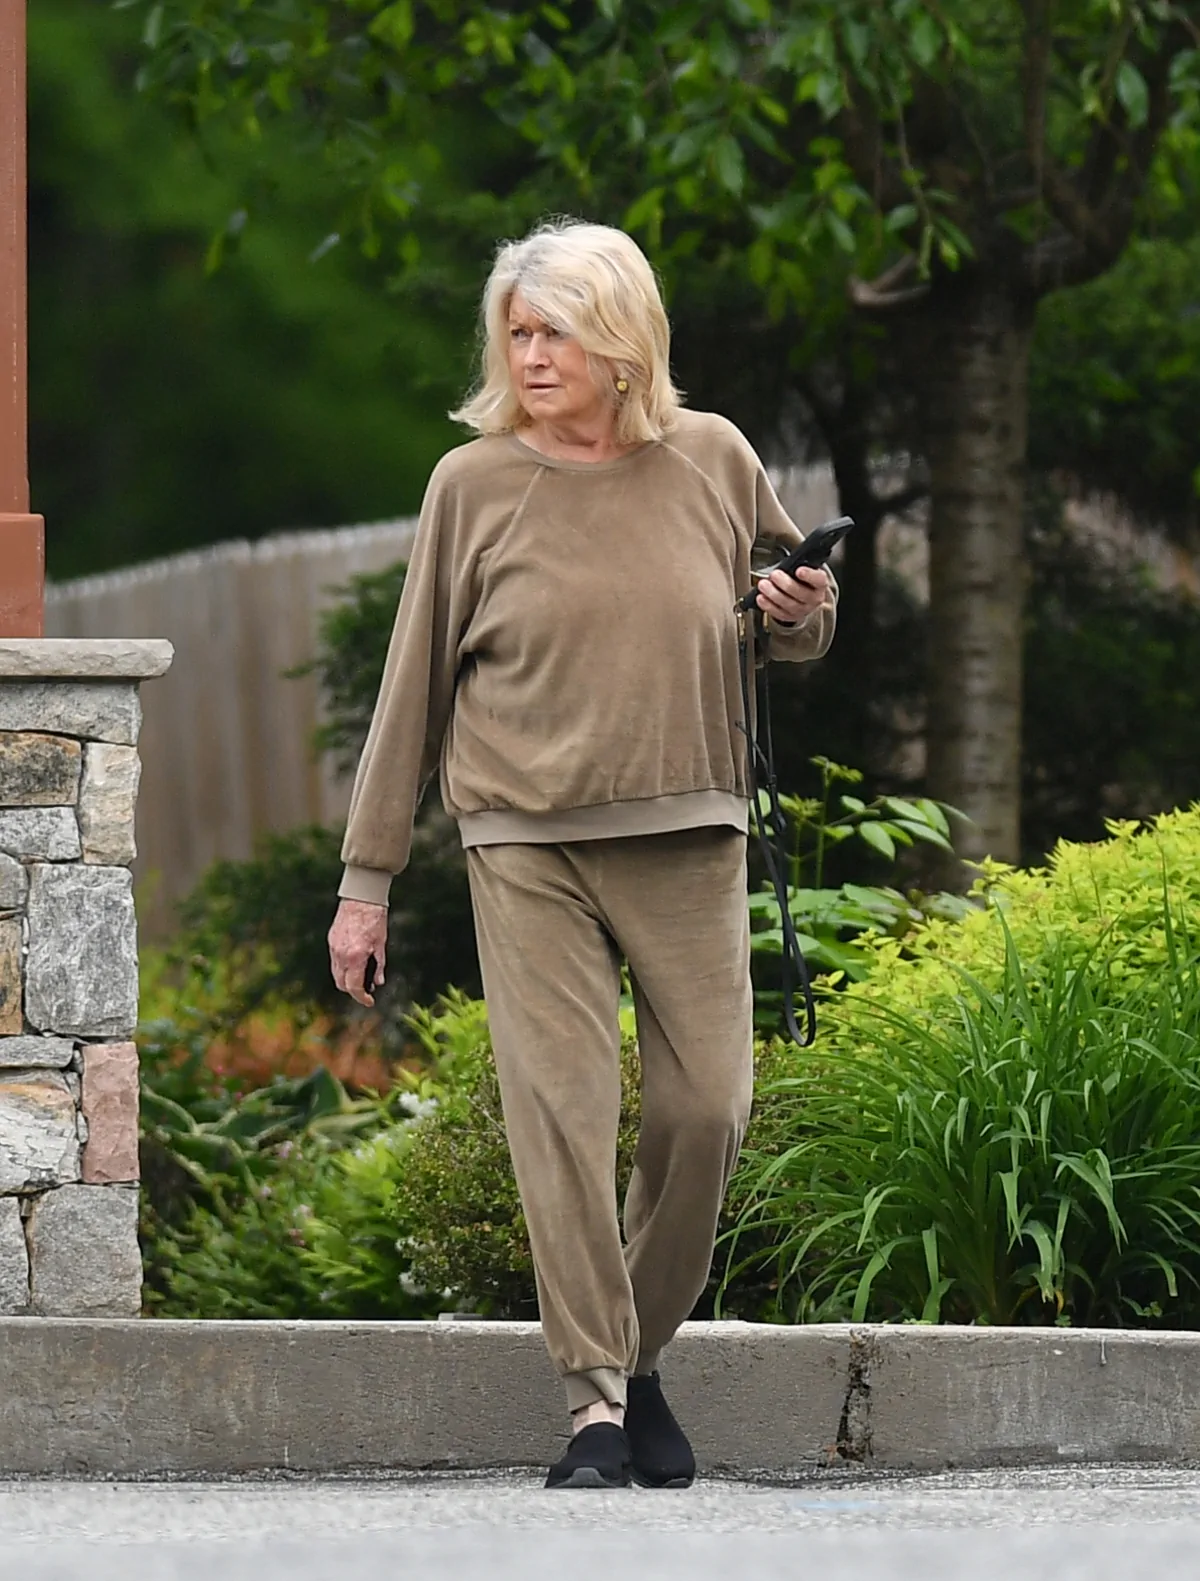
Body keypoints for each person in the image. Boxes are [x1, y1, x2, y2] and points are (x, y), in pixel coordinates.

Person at [327, 219, 837, 1490]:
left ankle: (639, 1358)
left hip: (690, 831)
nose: (531, 355)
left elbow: (787, 627)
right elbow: (410, 689)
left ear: (621, 340)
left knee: (708, 1111)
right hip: (526, 840)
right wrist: (366, 883)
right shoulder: (473, 484)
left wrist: (800, 608)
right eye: (517, 332)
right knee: (562, 1113)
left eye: (555, 331)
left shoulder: (713, 458)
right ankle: (596, 1406)